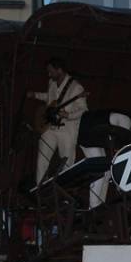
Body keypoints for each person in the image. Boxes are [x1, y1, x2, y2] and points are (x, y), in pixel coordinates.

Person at [28, 57, 88, 185]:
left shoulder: (76, 87)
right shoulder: (52, 83)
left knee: (66, 164)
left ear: (59, 70)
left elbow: (83, 109)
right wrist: (36, 95)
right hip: (49, 127)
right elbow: (50, 99)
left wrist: (68, 115)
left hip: (66, 129)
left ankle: (64, 194)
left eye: (51, 71)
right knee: (42, 159)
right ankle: (39, 191)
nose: (49, 74)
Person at [78, 111, 131, 208]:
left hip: (94, 140)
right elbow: (119, 147)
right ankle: (93, 206)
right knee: (100, 171)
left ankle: (100, 204)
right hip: (88, 136)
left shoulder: (127, 123)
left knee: (107, 172)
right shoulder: (126, 121)